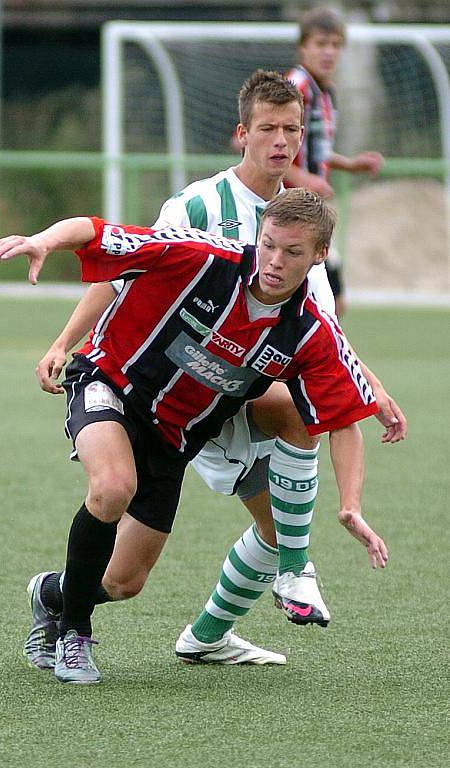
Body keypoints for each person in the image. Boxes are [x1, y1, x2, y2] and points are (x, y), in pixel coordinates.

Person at [24, 71, 405, 672]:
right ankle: (81, 629)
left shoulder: (305, 298)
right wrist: (61, 323)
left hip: (201, 414)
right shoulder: (202, 221)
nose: (276, 261)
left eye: (291, 130)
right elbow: (118, 255)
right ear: (241, 135)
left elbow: (334, 377)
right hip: (123, 383)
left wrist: (368, 409)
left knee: (127, 580)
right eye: (268, 128)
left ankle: (207, 621)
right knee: (114, 485)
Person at [284, 7, 384, 316]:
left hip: (312, 210)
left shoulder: (325, 93)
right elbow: (252, 144)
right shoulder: (295, 88)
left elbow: (314, 152)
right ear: (303, 47)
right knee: (315, 303)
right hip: (285, 209)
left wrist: (351, 164)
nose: (329, 52)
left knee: (332, 302)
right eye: (321, 43)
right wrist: (301, 178)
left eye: (336, 45)